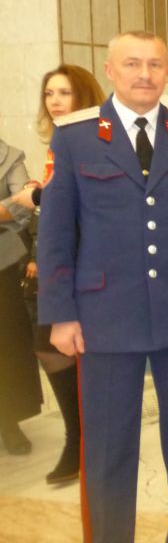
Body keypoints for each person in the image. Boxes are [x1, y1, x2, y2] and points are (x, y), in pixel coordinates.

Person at [36, 31, 168, 543]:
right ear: (110, 70)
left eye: (155, 64)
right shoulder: (74, 136)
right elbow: (56, 234)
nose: (144, 74)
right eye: (132, 64)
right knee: (109, 446)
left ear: (167, 71)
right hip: (104, 315)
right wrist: (60, 313)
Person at [11, 64, 105, 484]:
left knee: (84, 351)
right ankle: (79, 437)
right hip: (61, 261)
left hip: (93, 262)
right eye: (49, 93)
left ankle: (89, 441)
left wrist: (34, 196)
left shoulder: (97, 138)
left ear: (83, 96)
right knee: (49, 345)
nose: (54, 101)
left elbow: (86, 198)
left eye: (64, 93)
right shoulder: (57, 143)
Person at [0, 138, 40, 457]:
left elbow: (22, 207)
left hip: (1, 265)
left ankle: (8, 419)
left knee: (6, 346)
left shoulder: (11, 156)